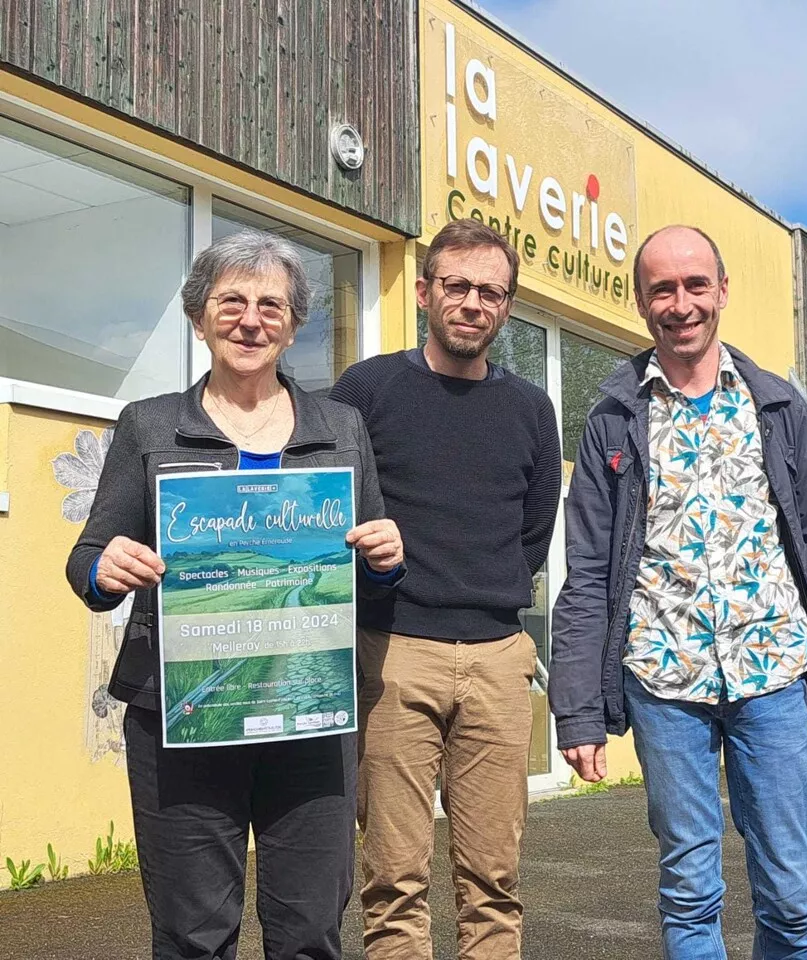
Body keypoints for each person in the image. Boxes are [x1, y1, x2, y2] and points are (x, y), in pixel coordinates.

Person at [65, 230, 405, 960]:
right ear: (199, 316)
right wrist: (104, 568)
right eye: (233, 302)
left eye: (271, 305)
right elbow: (87, 560)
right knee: (192, 934)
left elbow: (374, 571)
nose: (251, 320)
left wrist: (384, 559)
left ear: (293, 323)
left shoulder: (342, 429)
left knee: (311, 930)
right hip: (181, 719)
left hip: (311, 721)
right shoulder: (151, 425)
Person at [549, 224, 807, 959]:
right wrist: (576, 711)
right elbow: (589, 571)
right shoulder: (613, 417)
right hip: (663, 683)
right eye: (663, 288)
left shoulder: (779, 408)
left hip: (773, 675)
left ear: (723, 291)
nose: (681, 302)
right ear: (641, 302)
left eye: (696, 284)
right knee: (689, 891)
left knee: (790, 892)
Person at [329, 218, 561, 960]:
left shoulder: (530, 409)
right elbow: (340, 507)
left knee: (494, 880)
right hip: (393, 653)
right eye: (456, 286)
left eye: (490, 292)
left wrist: (482, 592)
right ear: (425, 293)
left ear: (507, 307)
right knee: (394, 881)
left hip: (497, 658)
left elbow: (534, 527)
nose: (472, 303)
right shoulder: (367, 390)